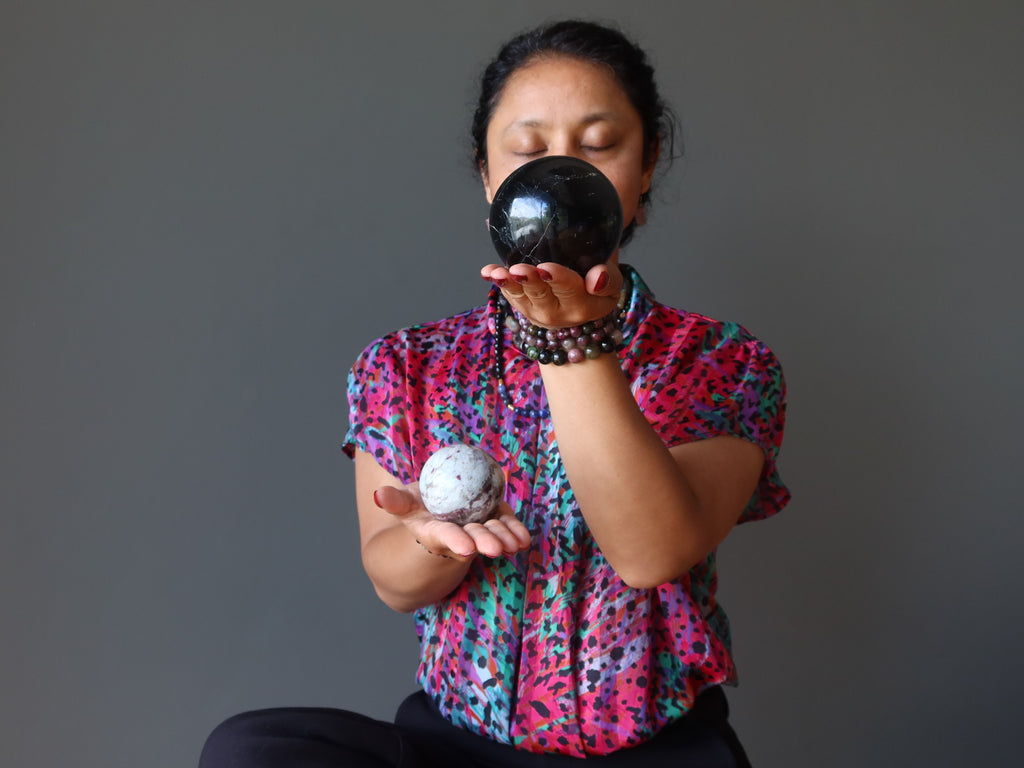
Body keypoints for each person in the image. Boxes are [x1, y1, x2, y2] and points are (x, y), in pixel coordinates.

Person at [199, 18, 789, 768]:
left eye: (598, 144)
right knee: (254, 751)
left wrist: (571, 342)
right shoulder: (406, 365)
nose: (560, 173)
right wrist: (431, 540)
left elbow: (650, 553)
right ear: (488, 177)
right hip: (458, 751)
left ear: (645, 173)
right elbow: (393, 581)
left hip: (657, 750)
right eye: (528, 148)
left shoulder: (720, 360)